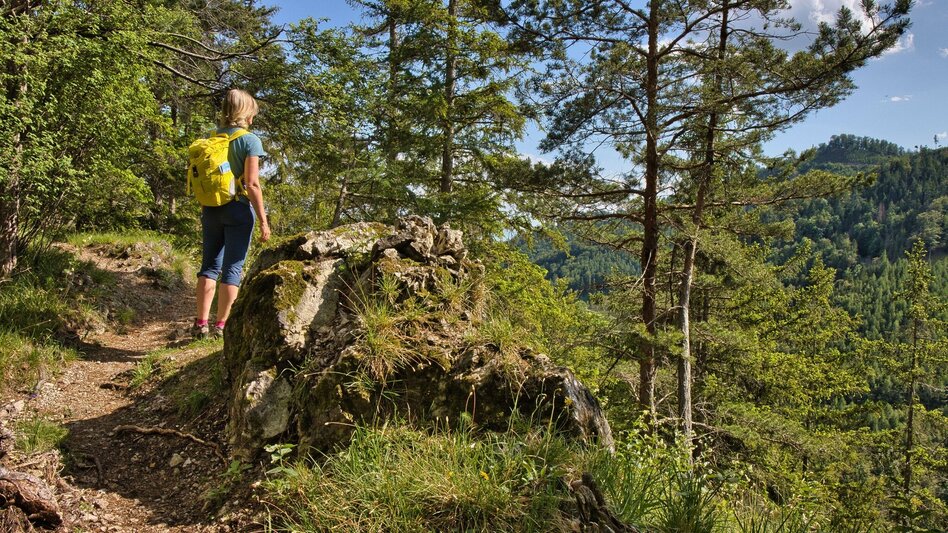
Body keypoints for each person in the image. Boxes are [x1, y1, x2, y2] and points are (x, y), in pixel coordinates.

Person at [192, 89, 271, 338]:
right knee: (232, 270)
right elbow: (252, 184)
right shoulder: (249, 141)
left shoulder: (212, 139)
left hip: (211, 208)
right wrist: (263, 221)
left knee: (209, 267)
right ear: (247, 113)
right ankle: (221, 327)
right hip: (237, 209)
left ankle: (200, 324)